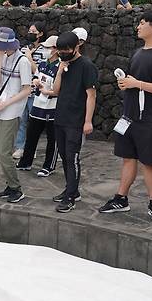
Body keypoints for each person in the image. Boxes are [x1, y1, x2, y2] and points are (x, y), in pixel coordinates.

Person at [99, 11, 152, 222]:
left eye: (143, 23)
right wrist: (125, 83)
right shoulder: (137, 53)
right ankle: (121, 198)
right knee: (128, 159)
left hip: (149, 118)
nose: (138, 27)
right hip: (129, 115)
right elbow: (133, 81)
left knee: (148, 162)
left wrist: (137, 84)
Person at [51, 32, 97, 213]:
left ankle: (71, 196)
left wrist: (88, 121)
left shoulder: (86, 66)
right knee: (64, 155)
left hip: (76, 120)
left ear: (76, 47)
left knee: (73, 158)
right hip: (61, 116)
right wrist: (60, 71)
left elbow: (91, 95)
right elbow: (55, 91)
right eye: (60, 51)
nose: (63, 53)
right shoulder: (63, 63)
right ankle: (71, 189)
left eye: (66, 50)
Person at [0, 27, 32, 203]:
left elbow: (27, 90)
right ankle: (9, 185)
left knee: (4, 153)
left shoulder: (23, 62)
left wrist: (7, 103)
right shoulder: (2, 56)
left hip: (11, 111)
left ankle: (16, 188)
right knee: (0, 151)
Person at [16, 35, 60, 176]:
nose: (45, 50)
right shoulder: (42, 63)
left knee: (52, 139)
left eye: (48, 47)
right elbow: (37, 75)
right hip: (38, 104)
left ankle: (49, 165)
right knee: (31, 135)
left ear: (55, 49)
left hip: (52, 107)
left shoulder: (61, 66)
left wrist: (49, 90)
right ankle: (26, 161)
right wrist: (36, 81)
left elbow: (60, 88)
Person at [13, 21, 48, 159]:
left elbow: (40, 72)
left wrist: (29, 57)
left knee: (34, 123)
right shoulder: (23, 49)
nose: (30, 33)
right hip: (23, 91)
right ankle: (20, 147)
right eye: (30, 30)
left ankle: (30, 149)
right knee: (21, 121)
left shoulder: (45, 51)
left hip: (36, 93)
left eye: (34, 31)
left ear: (41, 34)